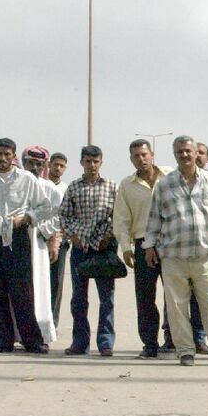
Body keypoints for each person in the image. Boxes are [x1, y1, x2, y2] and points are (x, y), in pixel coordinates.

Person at [143, 135, 208, 368]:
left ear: (196, 153)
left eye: (188, 151)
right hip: (174, 257)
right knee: (177, 306)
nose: (184, 155)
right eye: (179, 152)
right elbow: (154, 219)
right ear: (175, 155)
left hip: (205, 256)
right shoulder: (164, 185)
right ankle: (185, 350)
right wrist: (150, 246)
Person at [0, 138, 53, 354]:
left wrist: (26, 218)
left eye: (7, 155)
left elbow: (45, 207)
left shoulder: (26, 179)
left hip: (18, 237)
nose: (2, 159)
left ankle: (32, 341)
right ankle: (4, 340)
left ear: (14, 156)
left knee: (22, 292)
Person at [113, 138, 172, 358]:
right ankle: (150, 344)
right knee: (145, 297)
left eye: (144, 154)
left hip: (171, 243)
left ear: (152, 154)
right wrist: (126, 248)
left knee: (174, 294)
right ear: (131, 160)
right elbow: (121, 218)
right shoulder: (127, 185)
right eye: (136, 156)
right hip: (142, 243)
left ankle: (173, 340)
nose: (141, 159)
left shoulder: (170, 176)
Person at [59, 145, 118, 357]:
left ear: (101, 162)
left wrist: (108, 236)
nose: (92, 165)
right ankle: (80, 342)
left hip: (103, 248)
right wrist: (73, 234)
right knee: (79, 298)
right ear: (82, 162)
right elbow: (64, 216)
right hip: (80, 248)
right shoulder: (74, 188)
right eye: (88, 161)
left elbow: (118, 215)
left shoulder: (111, 186)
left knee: (107, 297)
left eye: (96, 161)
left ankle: (105, 342)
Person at [21, 146, 61, 345]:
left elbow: (61, 216)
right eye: (30, 163)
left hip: (38, 244)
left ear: (44, 166)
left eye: (39, 164)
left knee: (39, 286)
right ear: (23, 163)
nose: (34, 167)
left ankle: (41, 334)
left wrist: (46, 232)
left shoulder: (49, 188)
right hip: (16, 244)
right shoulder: (16, 185)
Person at [47, 151, 69, 327]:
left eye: (62, 166)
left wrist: (59, 238)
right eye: (55, 164)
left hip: (60, 242)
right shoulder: (41, 186)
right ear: (49, 165)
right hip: (40, 240)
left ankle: (52, 322)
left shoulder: (66, 189)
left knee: (56, 282)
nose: (58, 168)